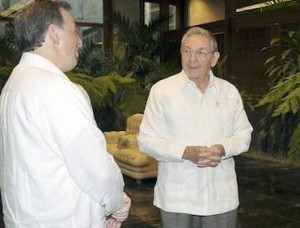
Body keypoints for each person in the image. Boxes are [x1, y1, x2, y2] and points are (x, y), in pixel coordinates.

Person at [0, 1, 130, 227]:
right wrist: (117, 203)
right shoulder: (55, 89)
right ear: (54, 33)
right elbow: (95, 169)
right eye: (74, 31)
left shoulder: (15, 84)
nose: (80, 40)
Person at [138, 26, 253, 228]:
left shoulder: (229, 92)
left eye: (201, 52)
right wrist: (185, 152)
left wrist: (222, 149)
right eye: (187, 51)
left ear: (214, 58)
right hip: (177, 197)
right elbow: (146, 140)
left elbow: (244, 135)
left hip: (221, 196)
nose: (192, 58)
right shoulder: (162, 91)